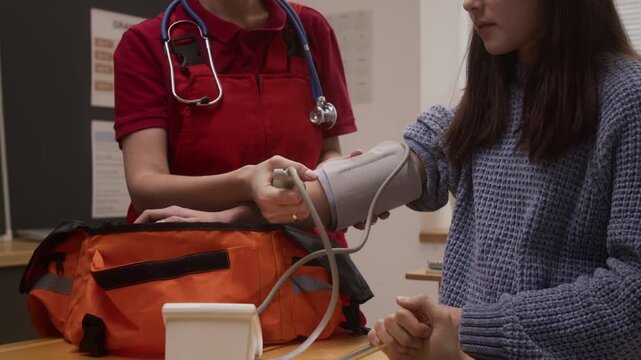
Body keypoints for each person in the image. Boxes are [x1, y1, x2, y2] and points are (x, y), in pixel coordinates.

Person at [368, 0, 641, 359]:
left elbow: (633, 296)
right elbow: (428, 152)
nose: (469, 4)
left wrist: (464, 325)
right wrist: (324, 188)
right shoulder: (493, 93)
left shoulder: (627, 97)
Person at [113, 0, 356, 227]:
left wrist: (344, 184)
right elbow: (145, 189)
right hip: (196, 254)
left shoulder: (310, 28)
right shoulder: (146, 42)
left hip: (307, 252)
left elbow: (328, 150)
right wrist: (246, 183)